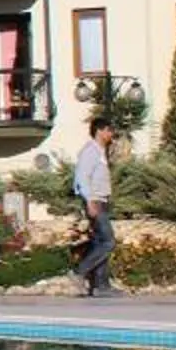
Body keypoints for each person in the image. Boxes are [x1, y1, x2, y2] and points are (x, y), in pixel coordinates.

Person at [73, 115, 119, 296]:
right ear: (99, 131)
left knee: (100, 241)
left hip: (102, 200)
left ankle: (101, 286)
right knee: (108, 241)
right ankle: (79, 271)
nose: (111, 134)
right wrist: (90, 200)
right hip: (95, 201)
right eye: (108, 130)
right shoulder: (90, 151)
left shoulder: (100, 152)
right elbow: (82, 178)